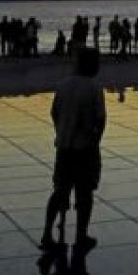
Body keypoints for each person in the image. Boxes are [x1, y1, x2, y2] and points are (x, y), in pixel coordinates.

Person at [40, 48, 106, 251]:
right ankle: (81, 234)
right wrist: (95, 141)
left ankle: (47, 232)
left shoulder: (63, 85)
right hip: (84, 148)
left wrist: (61, 132)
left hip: (64, 146)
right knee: (84, 193)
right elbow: (100, 119)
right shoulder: (94, 87)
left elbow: (54, 112)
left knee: (60, 190)